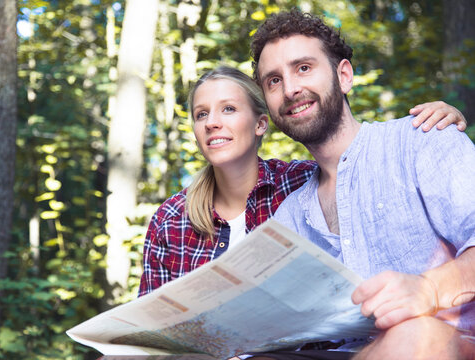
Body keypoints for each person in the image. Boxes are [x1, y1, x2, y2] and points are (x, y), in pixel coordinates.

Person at [248, 9, 475, 359]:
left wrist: (430, 289)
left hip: (447, 342)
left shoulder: (424, 139)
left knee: (416, 335)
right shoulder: (290, 217)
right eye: (273, 81)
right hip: (347, 353)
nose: (291, 89)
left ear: (344, 76)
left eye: (304, 68)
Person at [138, 66, 467, 299]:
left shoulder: (299, 184)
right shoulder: (170, 219)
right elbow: (148, 325)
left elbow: (360, 161)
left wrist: (440, 118)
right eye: (201, 114)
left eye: (227, 109)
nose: (212, 123)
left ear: (260, 125)